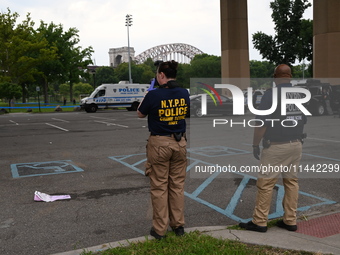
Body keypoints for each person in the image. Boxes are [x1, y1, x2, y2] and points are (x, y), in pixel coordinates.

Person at [239, 64, 307, 233]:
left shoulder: (271, 95)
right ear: (290, 76)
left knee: (266, 183)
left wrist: (255, 144)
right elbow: (303, 119)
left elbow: (261, 123)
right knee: (291, 183)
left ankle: (260, 221)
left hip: (276, 146)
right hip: (296, 144)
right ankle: (290, 220)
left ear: (275, 77)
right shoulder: (299, 94)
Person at [137, 60, 190, 240]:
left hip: (159, 144)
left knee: (159, 187)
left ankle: (160, 229)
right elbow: (187, 112)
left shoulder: (153, 95)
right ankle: (178, 226)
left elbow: (140, 113)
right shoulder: (184, 93)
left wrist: (147, 95)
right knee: (177, 186)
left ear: (161, 75)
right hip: (179, 143)